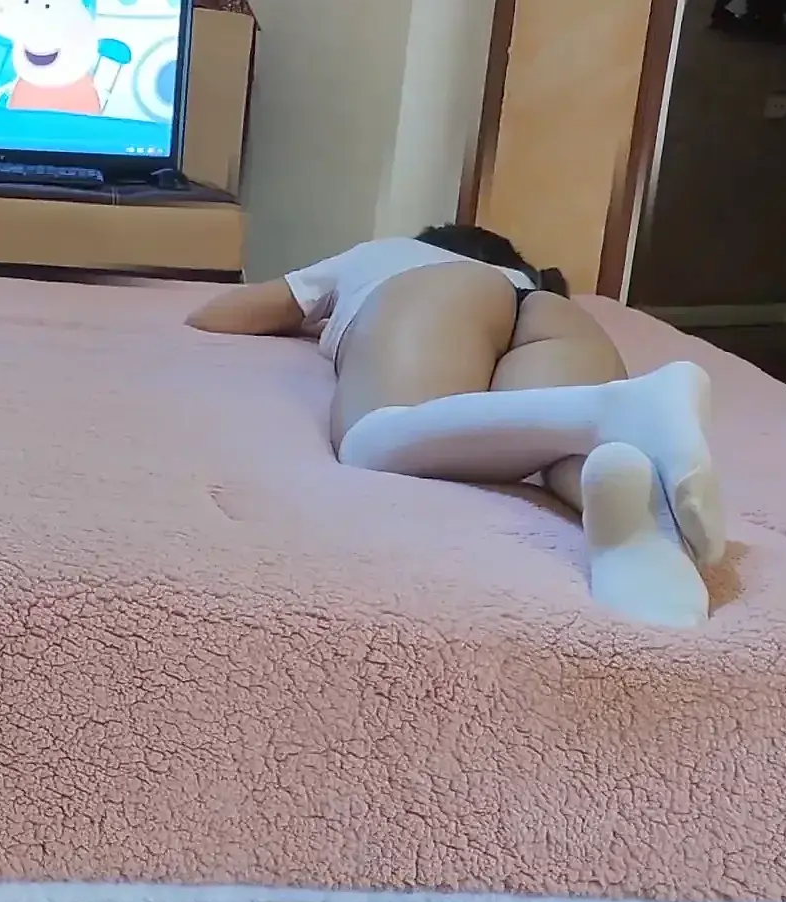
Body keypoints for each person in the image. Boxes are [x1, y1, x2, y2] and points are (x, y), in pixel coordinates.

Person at [185, 224, 725, 629]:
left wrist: (321, 310)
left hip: (441, 292)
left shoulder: (388, 253)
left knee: (373, 440)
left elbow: (218, 314)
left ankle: (609, 412)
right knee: (568, 457)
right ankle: (643, 531)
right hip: (551, 314)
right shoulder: (532, 284)